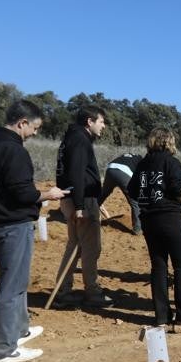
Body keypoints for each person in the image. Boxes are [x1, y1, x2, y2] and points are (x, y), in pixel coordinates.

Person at [0, 100, 66, 362]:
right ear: (22, 123)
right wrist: (48, 195)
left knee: (17, 279)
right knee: (11, 285)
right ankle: (4, 349)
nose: (35, 133)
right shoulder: (13, 150)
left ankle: (19, 330)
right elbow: (23, 193)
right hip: (11, 224)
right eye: (35, 127)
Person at [129, 128, 181, 328]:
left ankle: (162, 316)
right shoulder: (172, 162)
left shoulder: (142, 164)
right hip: (169, 217)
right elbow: (178, 188)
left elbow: (132, 190)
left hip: (148, 219)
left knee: (158, 265)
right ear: (168, 142)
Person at [53, 106, 113, 308]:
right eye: (101, 121)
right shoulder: (80, 140)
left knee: (75, 245)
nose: (103, 126)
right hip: (82, 200)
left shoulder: (71, 138)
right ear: (89, 121)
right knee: (91, 247)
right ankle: (93, 292)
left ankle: (62, 291)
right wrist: (80, 205)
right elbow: (77, 173)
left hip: (71, 197)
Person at [100, 152, 143, 235]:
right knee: (135, 201)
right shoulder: (140, 160)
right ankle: (137, 229)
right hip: (124, 172)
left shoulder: (126, 156)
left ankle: (88, 216)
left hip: (110, 168)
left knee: (103, 195)